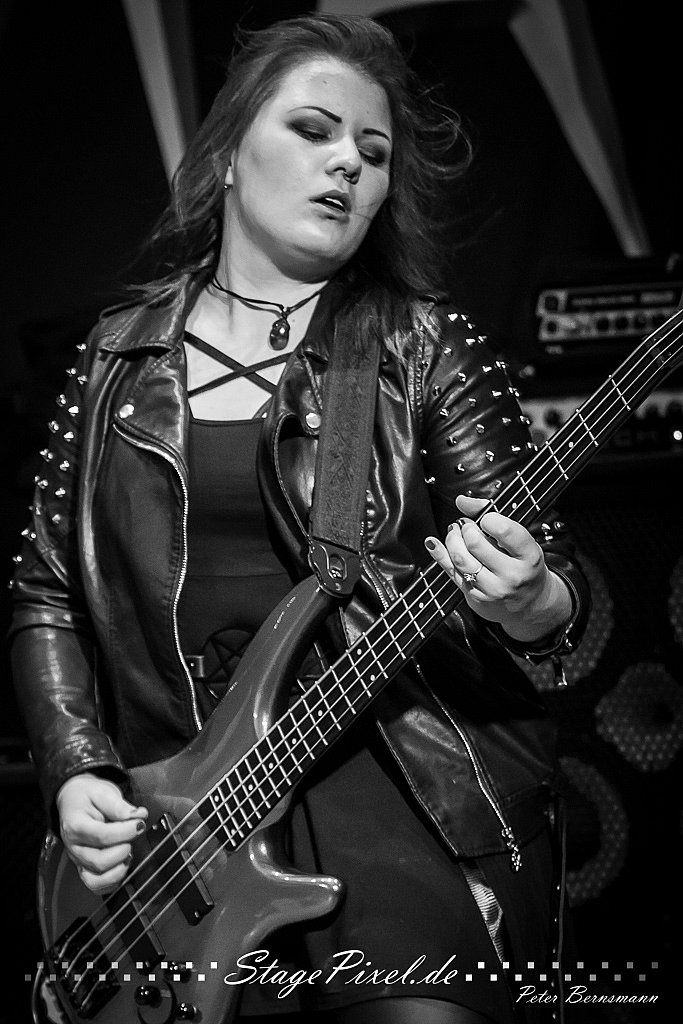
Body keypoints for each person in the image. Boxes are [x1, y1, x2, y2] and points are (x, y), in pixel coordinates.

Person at [9, 13, 589, 1024]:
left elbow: (556, 596)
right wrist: (75, 767)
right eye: (313, 131)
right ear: (229, 154)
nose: (347, 165)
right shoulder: (115, 359)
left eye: (373, 152)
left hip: (391, 785)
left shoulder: (418, 343)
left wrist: (531, 595)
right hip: (185, 826)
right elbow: (45, 590)